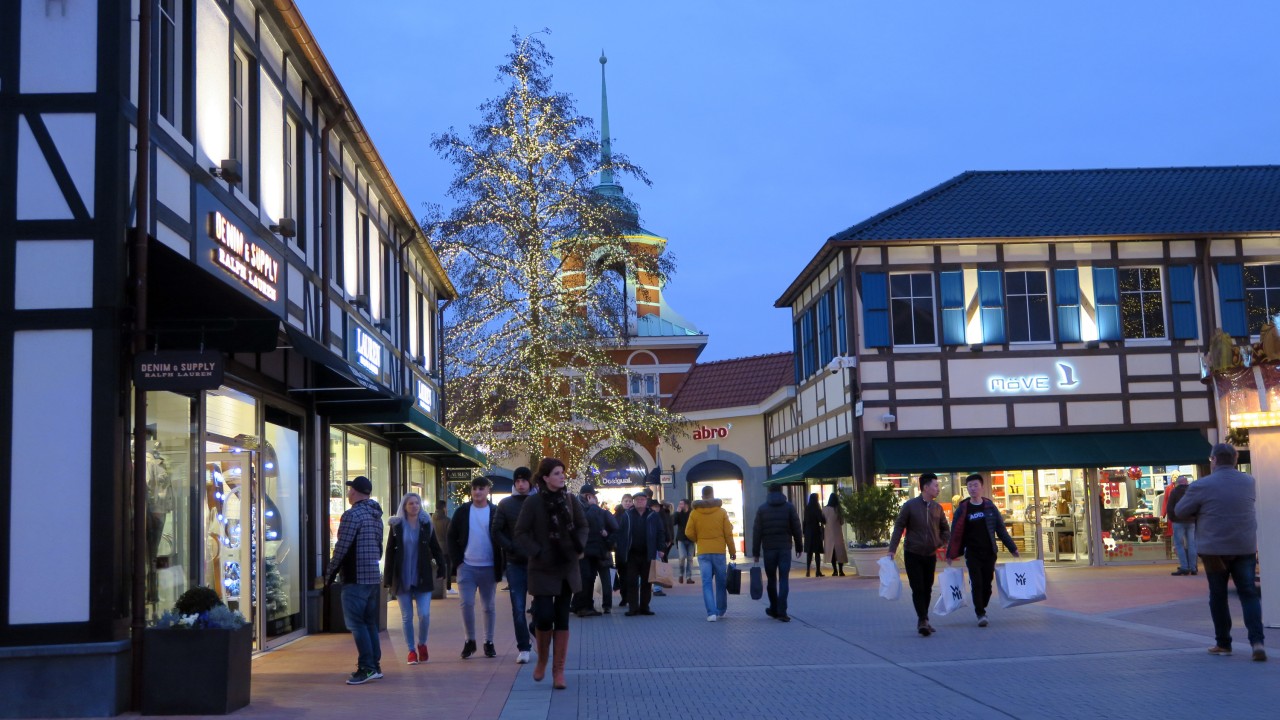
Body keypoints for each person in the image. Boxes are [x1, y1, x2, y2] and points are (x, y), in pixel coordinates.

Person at [1173, 443, 1265, 661]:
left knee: (1218, 595)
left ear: (1213, 460)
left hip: (1214, 549)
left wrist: (1201, 511)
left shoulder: (1201, 485)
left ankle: (1223, 643)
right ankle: (1257, 642)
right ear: (1235, 459)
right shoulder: (1248, 482)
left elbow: (1180, 510)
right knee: (1248, 593)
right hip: (1244, 546)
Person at [514, 458, 588, 689]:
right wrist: (537, 551)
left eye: (562, 472)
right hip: (543, 567)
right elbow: (521, 532)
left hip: (566, 566)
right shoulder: (534, 503)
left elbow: (583, 525)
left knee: (563, 617)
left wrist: (579, 547)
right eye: (557, 473)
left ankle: (559, 671)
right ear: (545, 477)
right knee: (544, 616)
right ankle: (543, 660)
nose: (562, 476)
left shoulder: (570, 500)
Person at [325, 476, 385, 685]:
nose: (348, 493)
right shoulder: (376, 515)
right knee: (369, 623)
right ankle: (374, 665)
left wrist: (330, 573)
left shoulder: (352, 515)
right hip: (371, 576)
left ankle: (367, 667)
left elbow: (342, 547)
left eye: (350, 490)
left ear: (355, 492)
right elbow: (379, 547)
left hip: (355, 576)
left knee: (356, 624)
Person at [945, 474, 1019, 627]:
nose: (972, 488)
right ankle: (980, 613)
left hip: (989, 552)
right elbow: (956, 532)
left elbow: (1001, 529)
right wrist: (950, 553)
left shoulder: (990, 507)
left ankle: (982, 605)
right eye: (970, 486)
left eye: (975, 485)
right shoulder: (963, 509)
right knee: (976, 583)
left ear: (982, 487)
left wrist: (1013, 548)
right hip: (972, 553)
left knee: (987, 585)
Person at [447, 477, 506, 660]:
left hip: (489, 566)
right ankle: (469, 640)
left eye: (481, 488)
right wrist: (459, 561)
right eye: (474, 488)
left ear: (488, 490)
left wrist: (501, 564)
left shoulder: (495, 511)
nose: (477, 492)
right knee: (466, 604)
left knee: (488, 606)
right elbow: (451, 536)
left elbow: (503, 536)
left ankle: (488, 642)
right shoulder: (463, 511)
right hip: (467, 567)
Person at [384, 492, 446, 665]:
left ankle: (422, 644)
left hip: (422, 575)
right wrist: (388, 577)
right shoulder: (396, 526)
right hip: (402, 576)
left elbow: (435, 547)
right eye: (410, 503)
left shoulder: (426, 524)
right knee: (406, 616)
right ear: (404, 506)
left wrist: (442, 567)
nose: (414, 506)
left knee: (424, 615)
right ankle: (411, 650)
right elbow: (390, 551)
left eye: (417, 503)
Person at [888, 473, 951, 637]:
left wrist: (940, 542)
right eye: (935, 485)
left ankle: (924, 619)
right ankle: (923, 619)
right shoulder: (910, 506)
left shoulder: (938, 508)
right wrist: (892, 549)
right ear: (925, 487)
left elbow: (945, 529)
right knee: (918, 588)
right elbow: (899, 526)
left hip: (930, 554)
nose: (938, 488)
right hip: (913, 553)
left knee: (928, 588)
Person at [491, 467, 534, 663]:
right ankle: (523, 646)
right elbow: (496, 530)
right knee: (517, 607)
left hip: (537, 562)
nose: (521, 484)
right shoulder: (505, 504)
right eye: (517, 481)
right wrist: (511, 547)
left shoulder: (538, 503)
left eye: (524, 480)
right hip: (515, 562)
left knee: (542, 607)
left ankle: (535, 631)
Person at [684, 485, 737, 622]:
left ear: (702, 497)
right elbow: (728, 533)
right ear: (713, 495)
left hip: (703, 551)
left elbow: (688, 532)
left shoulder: (694, 513)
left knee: (706, 582)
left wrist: (699, 539)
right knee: (721, 582)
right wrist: (732, 551)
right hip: (719, 551)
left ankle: (711, 613)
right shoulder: (721, 512)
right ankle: (721, 610)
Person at [752, 484, 803, 622]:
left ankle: (773, 608)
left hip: (769, 549)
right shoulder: (789, 507)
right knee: (784, 579)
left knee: (771, 580)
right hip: (785, 548)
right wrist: (799, 546)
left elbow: (757, 532)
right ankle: (782, 610)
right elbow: (796, 528)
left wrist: (755, 552)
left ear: (769, 492)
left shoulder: (762, 509)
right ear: (781, 492)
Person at [614, 491, 665, 616]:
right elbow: (620, 533)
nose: (640, 501)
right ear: (634, 502)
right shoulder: (627, 515)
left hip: (648, 553)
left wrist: (661, 548)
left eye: (642, 499)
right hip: (631, 554)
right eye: (637, 500)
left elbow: (660, 532)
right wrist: (621, 550)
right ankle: (633, 608)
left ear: (646, 501)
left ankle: (644, 607)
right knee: (631, 581)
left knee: (646, 582)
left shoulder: (653, 515)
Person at [572, 484, 617, 616]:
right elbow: (587, 523)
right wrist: (593, 507)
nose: (596, 499)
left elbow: (613, 529)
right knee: (585, 578)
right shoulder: (584, 509)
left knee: (588, 578)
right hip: (585, 551)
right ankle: (582, 607)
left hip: (592, 551)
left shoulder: (581, 507)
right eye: (594, 496)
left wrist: (607, 540)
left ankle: (584, 605)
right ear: (588, 496)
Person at [1164, 475, 1197, 576]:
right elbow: (1197, 505)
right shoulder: (1192, 491)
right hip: (1191, 521)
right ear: (1186, 482)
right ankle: (1193, 567)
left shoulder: (1174, 492)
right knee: (1192, 544)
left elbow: (1169, 507)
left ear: (1177, 483)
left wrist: (1173, 519)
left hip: (1178, 521)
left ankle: (1184, 567)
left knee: (1179, 545)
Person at [613, 493, 634, 607]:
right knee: (622, 574)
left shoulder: (634, 514)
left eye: (629, 501)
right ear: (621, 502)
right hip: (620, 550)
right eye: (625, 501)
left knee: (632, 575)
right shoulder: (617, 515)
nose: (627, 503)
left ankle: (631, 598)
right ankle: (624, 597)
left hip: (632, 550)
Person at [823, 492, 848, 576]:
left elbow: (823, 520)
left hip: (828, 532)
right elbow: (842, 521)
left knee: (832, 552)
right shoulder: (839, 509)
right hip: (838, 532)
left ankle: (834, 571)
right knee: (840, 551)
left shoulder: (825, 509)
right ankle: (841, 570)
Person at [432, 499, 453, 596]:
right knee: (446, 567)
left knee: (435, 567)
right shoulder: (447, 520)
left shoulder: (431, 519)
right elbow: (449, 535)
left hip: (433, 547)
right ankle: (447, 587)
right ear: (444, 508)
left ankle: (435, 586)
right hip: (445, 547)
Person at [802, 493, 825, 577]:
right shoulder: (817, 508)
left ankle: (808, 570)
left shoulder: (807, 508)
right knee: (817, 553)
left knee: (809, 552)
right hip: (816, 531)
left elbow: (804, 520)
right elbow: (821, 519)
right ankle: (818, 571)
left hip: (808, 532)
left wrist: (804, 531)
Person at [673, 499, 695, 584]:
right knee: (682, 557)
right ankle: (681, 574)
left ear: (686, 505)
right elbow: (673, 522)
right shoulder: (679, 513)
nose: (679, 505)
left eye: (681, 504)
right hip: (681, 538)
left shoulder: (692, 513)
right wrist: (676, 513)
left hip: (691, 538)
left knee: (690, 558)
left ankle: (689, 577)